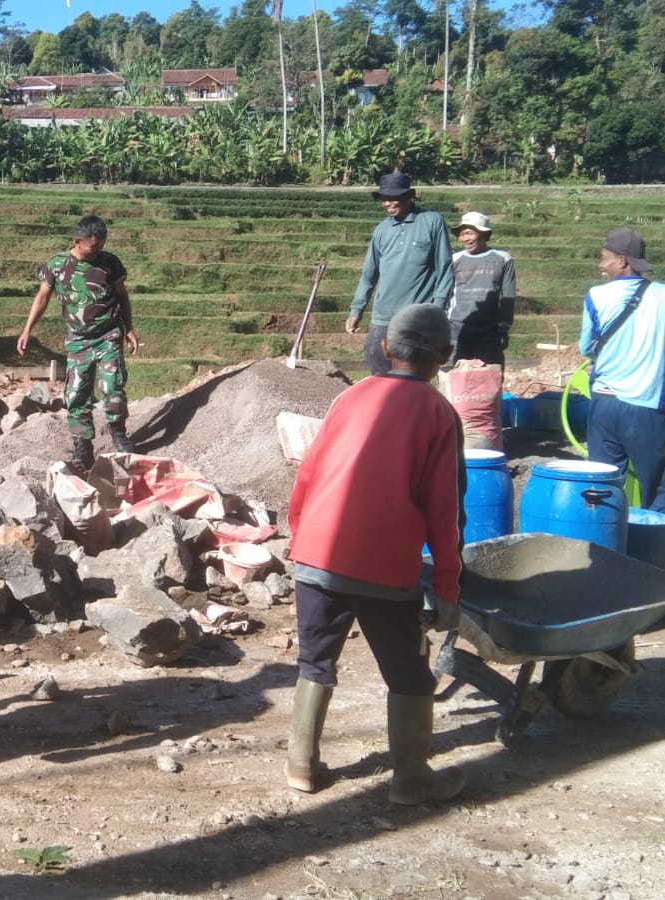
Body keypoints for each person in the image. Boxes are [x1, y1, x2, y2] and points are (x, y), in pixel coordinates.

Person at [285, 303, 467, 806]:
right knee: (408, 672)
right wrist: (449, 586)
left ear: (385, 349)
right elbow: (446, 510)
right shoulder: (438, 414)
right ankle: (411, 778)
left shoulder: (351, 396)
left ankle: (301, 765)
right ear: (444, 358)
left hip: (316, 556)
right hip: (383, 568)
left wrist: (298, 535)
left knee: (315, 659)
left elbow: (308, 473)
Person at [16, 214, 140, 473]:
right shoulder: (57, 265)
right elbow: (42, 298)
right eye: (94, 247)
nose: (98, 252)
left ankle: (119, 435)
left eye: (102, 245)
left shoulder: (110, 263)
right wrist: (27, 330)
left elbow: (122, 297)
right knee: (76, 396)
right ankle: (83, 450)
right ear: (78, 241)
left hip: (108, 335)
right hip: (78, 340)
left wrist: (129, 329)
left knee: (113, 387)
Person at [579, 228, 665, 513]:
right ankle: (652, 556)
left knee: (603, 486)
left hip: (604, 404)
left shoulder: (595, 296)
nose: (600, 265)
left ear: (622, 260)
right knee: (656, 488)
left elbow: (587, 348)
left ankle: (606, 554)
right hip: (646, 406)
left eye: (604, 258)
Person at [347, 173, 454, 376]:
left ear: (409, 196)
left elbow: (445, 267)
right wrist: (356, 310)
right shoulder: (381, 230)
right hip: (383, 316)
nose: (388, 203)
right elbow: (369, 274)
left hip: (416, 318)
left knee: (413, 378)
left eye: (393, 198)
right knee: (379, 375)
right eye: (384, 199)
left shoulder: (432, 222)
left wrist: (437, 308)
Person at [448, 211, 516, 365]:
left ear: (484, 234)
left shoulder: (502, 259)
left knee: (489, 375)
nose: (465, 238)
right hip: (458, 326)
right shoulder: (455, 259)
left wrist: (505, 325)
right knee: (455, 375)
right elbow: (447, 293)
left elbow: (508, 295)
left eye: (470, 233)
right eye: (462, 234)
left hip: (490, 329)